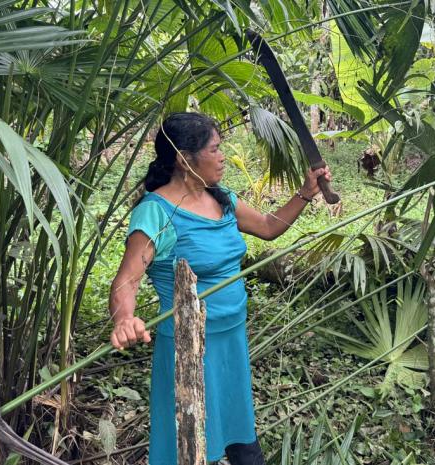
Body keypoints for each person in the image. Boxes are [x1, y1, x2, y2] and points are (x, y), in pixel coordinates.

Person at [108, 112, 331, 465]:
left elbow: (269, 227)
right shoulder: (157, 212)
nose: (223, 156)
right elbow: (126, 281)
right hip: (187, 350)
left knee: (237, 429)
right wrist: (124, 319)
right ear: (184, 159)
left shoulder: (222, 198)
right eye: (214, 149)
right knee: (187, 439)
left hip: (231, 339)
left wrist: (306, 193)